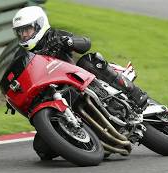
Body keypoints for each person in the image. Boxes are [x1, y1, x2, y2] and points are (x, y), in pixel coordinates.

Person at [10, 6, 149, 160]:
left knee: (89, 60)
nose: (24, 35)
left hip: (77, 81)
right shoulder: (25, 55)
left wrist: (69, 41)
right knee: (42, 149)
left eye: (27, 30)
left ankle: (134, 95)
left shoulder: (54, 35)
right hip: (55, 95)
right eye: (20, 32)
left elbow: (85, 43)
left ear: (39, 25)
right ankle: (84, 140)